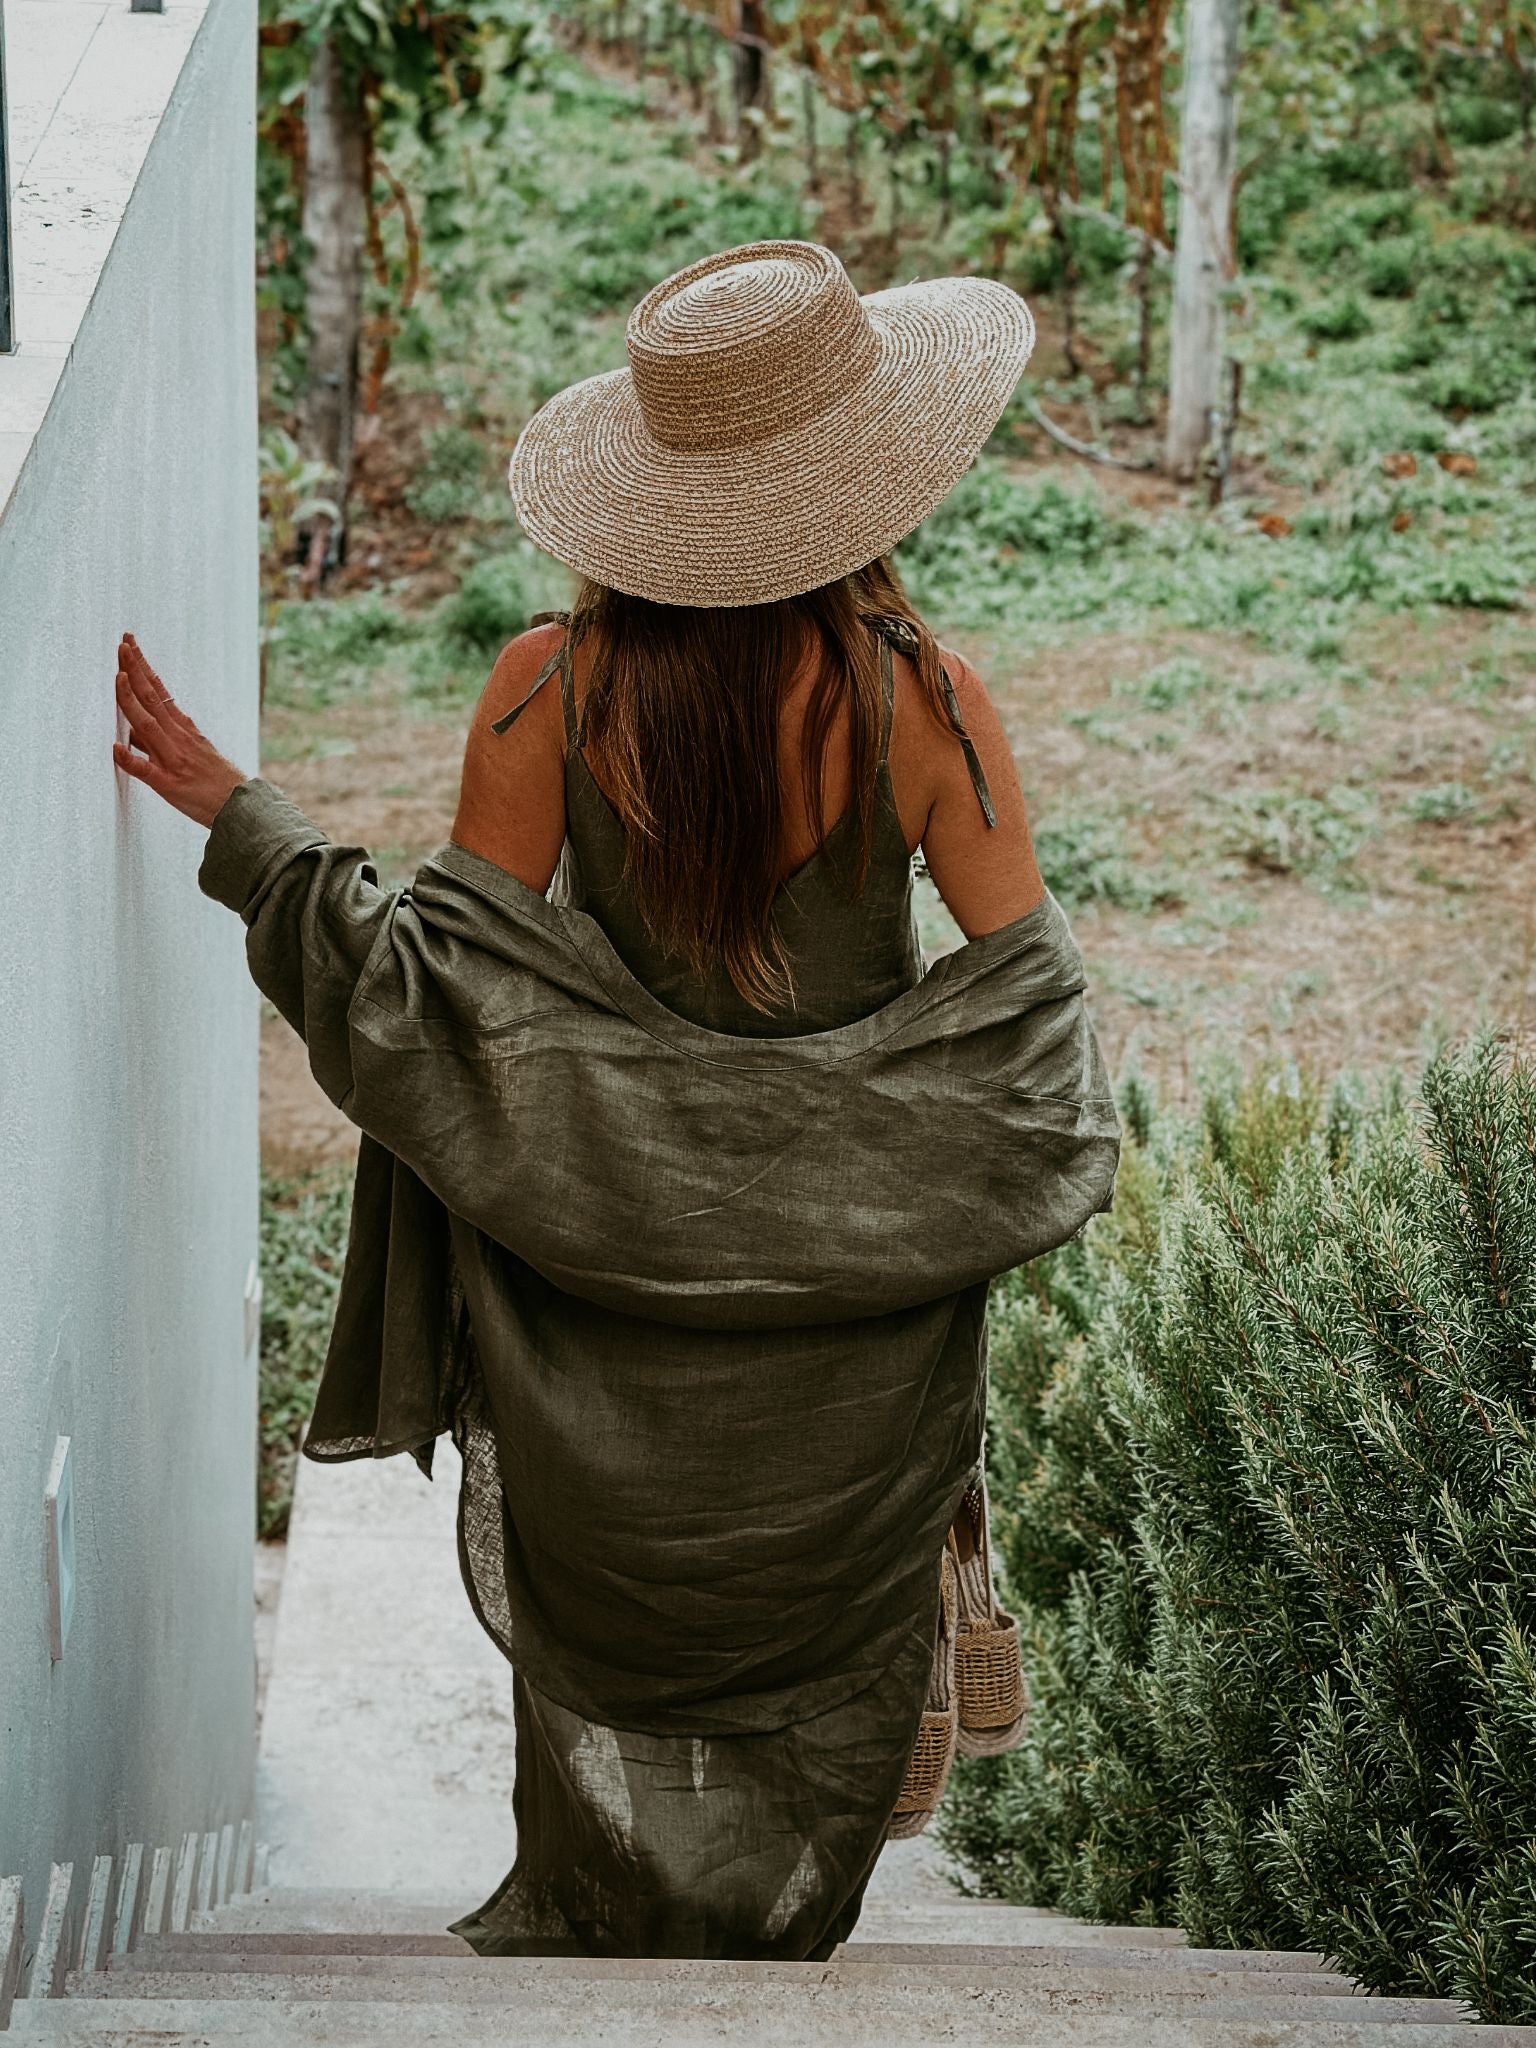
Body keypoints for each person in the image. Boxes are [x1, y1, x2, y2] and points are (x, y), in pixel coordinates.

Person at [111, 239, 1118, 1960]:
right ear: (863, 473)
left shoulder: (547, 692)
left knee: (620, 1621)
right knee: (820, 1648)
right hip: (846, 1340)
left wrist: (248, 822)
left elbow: (433, 1004)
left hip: (600, 1325)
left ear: (653, 497)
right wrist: (879, 1148)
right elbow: (1034, 1038)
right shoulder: (929, 704)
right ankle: (784, 1931)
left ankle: (610, 1934)